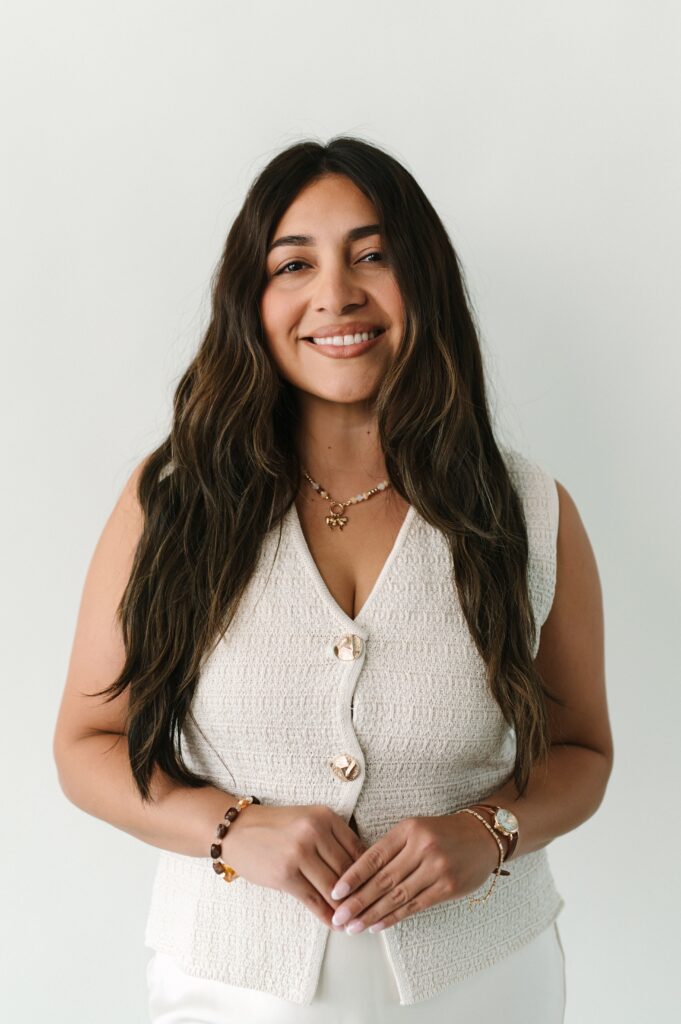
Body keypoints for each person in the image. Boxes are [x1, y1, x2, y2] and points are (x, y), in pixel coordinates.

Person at [53, 136, 613, 1023]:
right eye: (293, 264)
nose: (336, 295)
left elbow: (583, 753)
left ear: (421, 280)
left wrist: (488, 835)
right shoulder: (173, 500)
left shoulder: (528, 510)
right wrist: (230, 828)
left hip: (485, 982)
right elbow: (86, 746)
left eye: (372, 255)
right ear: (252, 298)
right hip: (227, 989)